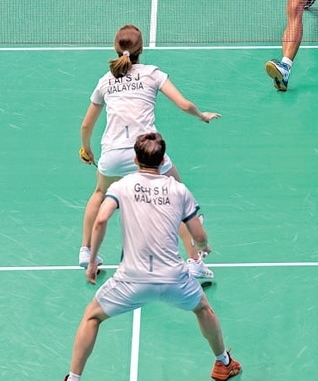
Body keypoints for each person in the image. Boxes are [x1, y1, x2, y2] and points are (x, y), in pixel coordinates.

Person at [51, 132, 241, 381]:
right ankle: (223, 363)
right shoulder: (179, 190)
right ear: (163, 160)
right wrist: (203, 246)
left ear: (134, 159)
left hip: (131, 280)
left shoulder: (122, 186)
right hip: (174, 278)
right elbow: (198, 235)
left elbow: (101, 220)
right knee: (203, 309)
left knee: (92, 317)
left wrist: (92, 261)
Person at [78, 24, 220, 282]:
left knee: (99, 193)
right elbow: (183, 104)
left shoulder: (105, 81)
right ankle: (194, 262)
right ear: (141, 49)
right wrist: (202, 115)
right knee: (178, 200)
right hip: (147, 151)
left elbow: (86, 125)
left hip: (112, 154)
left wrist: (86, 149)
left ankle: (86, 252)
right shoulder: (152, 73)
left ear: (116, 48)